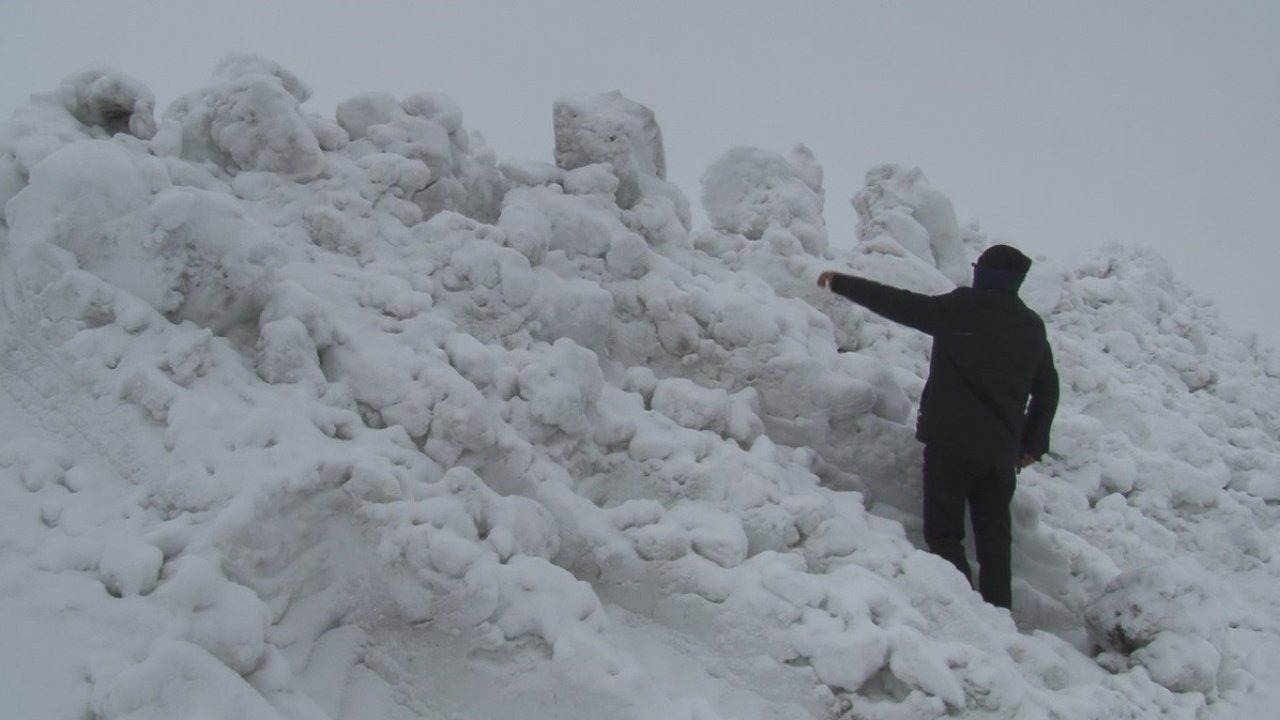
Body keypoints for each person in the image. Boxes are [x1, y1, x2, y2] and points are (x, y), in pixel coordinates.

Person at [817, 245, 1058, 609]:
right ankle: (999, 614)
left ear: (984, 274)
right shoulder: (1031, 327)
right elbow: (1048, 392)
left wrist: (842, 283)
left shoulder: (961, 309)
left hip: (951, 446)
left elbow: (899, 304)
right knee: (994, 543)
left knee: (944, 534)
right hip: (999, 453)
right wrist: (1030, 446)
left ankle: (966, 612)